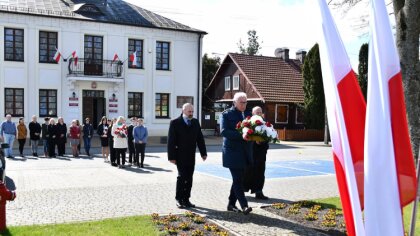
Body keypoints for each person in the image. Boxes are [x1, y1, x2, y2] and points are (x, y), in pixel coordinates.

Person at [167, 103, 207, 208]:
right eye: (189, 111)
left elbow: (200, 138)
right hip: (179, 155)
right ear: (183, 110)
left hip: (191, 156)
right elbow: (171, 141)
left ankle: (186, 199)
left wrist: (203, 153)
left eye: (192, 111)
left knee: (189, 178)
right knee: (182, 177)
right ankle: (179, 199)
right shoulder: (175, 123)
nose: (191, 113)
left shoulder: (195, 122)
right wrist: (171, 157)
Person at [220, 92, 253, 215]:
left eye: (245, 102)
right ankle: (244, 206)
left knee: (238, 179)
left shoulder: (249, 114)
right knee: (238, 179)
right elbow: (224, 132)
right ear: (234, 102)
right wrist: (242, 135)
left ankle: (231, 204)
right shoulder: (227, 114)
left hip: (245, 152)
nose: (244, 105)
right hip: (232, 152)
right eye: (241, 102)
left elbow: (254, 130)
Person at [243, 106, 269, 200]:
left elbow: (269, 136)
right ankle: (242, 191)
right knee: (247, 172)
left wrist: (261, 141)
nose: (259, 114)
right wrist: (254, 140)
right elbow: (245, 135)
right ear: (253, 114)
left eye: (260, 112)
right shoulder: (248, 123)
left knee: (260, 173)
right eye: (257, 112)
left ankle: (259, 192)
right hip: (250, 152)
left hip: (261, 153)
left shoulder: (265, 124)